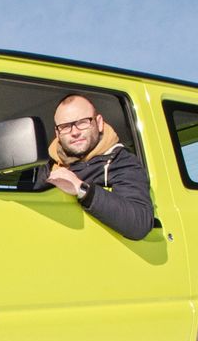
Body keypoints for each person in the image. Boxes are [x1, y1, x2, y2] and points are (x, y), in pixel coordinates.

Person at [41, 93, 154, 240]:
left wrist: (82, 190)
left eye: (82, 122)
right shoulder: (45, 165)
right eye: (65, 126)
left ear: (99, 122)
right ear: (57, 132)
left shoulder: (120, 162)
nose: (74, 132)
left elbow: (140, 222)